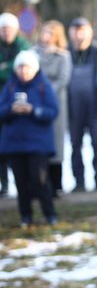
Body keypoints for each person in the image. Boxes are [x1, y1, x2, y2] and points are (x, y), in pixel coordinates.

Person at [0, 50, 58, 227]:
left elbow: (53, 111)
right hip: (14, 144)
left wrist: (33, 110)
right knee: (20, 183)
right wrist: (12, 109)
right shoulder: (9, 86)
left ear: (34, 69)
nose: (23, 71)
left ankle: (50, 214)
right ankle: (26, 216)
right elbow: (1, 111)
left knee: (39, 180)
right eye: (20, 67)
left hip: (38, 145)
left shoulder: (43, 86)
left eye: (27, 68)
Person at [35, 20, 72, 196]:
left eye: (50, 32)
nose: (45, 36)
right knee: (38, 142)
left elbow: (63, 79)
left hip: (56, 102)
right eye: (44, 32)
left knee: (57, 143)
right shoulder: (32, 54)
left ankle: (56, 185)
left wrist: (47, 93)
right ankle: (40, 186)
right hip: (36, 102)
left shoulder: (64, 56)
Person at [68, 17, 97, 192]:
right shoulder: (66, 53)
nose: (80, 35)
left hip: (96, 107)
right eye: (76, 30)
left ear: (90, 31)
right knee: (75, 145)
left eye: (83, 30)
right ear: (70, 33)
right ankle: (79, 181)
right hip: (74, 107)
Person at [0, 12, 30, 197]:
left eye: (9, 28)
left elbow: (21, 69)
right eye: (3, 29)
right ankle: (4, 183)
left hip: (20, 100)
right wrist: (10, 67)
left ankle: (24, 186)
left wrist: (6, 67)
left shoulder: (23, 45)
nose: (6, 32)